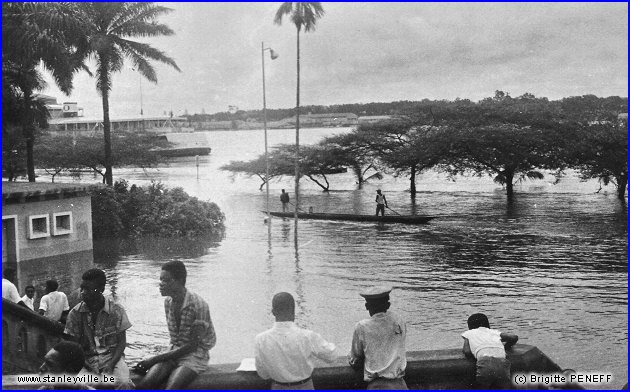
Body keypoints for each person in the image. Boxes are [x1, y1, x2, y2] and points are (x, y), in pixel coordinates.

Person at [135, 260, 216, 390]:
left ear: (179, 280)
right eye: (161, 280)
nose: (161, 284)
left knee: (172, 389)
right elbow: (176, 340)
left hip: (195, 355)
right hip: (174, 350)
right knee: (144, 385)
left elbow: (192, 345)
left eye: (166, 281)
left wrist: (154, 359)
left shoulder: (198, 305)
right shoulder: (168, 302)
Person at [64, 269, 133, 388]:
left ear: (101, 289)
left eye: (88, 289)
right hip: (86, 362)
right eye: (82, 288)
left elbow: (121, 342)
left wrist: (111, 365)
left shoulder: (117, 310)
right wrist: (90, 368)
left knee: (124, 383)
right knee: (79, 386)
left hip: (112, 359)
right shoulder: (74, 314)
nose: (83, 292)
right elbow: (74, 349)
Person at [255, 292, 337, 390]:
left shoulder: (261, 339)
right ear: (293, 311)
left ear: (273, 312)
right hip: (305, 387)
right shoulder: (308, 336)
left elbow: (263, 374)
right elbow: (332, 356)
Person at [348, 285, 407, 390]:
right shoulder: (398, 320)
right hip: (399, 384)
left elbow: (355, 358)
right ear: (388, 305)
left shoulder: (361, 327)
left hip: (376, 386)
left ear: (367, 306)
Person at [461, 313, 518, 389]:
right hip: (503, 363)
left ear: (469, 326)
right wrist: (504, 347)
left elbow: (467, 351)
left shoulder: (468, 333)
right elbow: (514, 337)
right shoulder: (493, 332)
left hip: (485, 363)